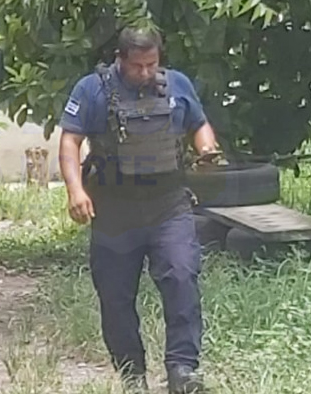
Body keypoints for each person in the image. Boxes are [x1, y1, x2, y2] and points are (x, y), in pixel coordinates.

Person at [57, 27, 221, 394]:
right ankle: (132, 376)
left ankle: (183, 369)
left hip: (168, 205)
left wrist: (207, 149)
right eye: (137, 66)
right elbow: (70, 139)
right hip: (114, 210)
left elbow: (198, 124)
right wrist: (75, 190)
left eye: (152, 64)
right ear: (120, 59)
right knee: (115, 296)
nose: (145, 73)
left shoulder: (177, 85)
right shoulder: (92, 90)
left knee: (181, 277)